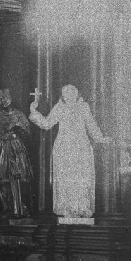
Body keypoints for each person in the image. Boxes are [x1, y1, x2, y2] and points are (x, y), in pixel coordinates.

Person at [29, 84, 111, 219]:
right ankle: (67, 208)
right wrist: (34, 111)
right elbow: (47, 124)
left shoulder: (84, 107)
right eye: (66, 93)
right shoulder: (59, 107)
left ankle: (82, 208)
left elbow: (91, 125)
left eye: (72, 92)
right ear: (63, 96)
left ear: (77, 94)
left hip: (81, 147)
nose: (70, 95)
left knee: (82, 178)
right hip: (64, 148)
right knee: (66, 178)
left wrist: (100, 138)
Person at [0, 88, 32, 218]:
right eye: (0, 98)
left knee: (20, 178)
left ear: (11, 97)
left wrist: (20, 128)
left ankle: (20, 208)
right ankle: (6, 208)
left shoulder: (19, 115)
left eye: (5, 97)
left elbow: (27, 133)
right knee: (2, 179)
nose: (2, 100)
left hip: (16, 148)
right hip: (1, 148)